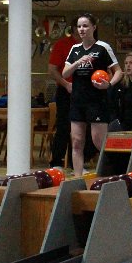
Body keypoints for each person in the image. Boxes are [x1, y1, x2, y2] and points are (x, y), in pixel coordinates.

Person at [62, 13, 122, 177]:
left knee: (98, 141)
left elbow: (118, 71)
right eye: (79, 26)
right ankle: (78, 178)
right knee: (76, 141)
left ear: (94, 27)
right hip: (77, 101)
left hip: (96, 101)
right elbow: (65, 73)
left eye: (85, 26)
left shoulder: (102, 47)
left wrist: (109, 84)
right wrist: (77, 62)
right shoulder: (75, 49)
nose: (81, 29)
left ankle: (113, 173)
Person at [47, 26, 82, 168]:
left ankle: (78, 162)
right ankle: (57, 161)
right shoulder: (62, 44)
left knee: (82, 126)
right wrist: (66, 84)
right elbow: (52, 69)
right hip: (66, 89)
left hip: (84, 90)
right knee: (64, 126)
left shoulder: (92, 45)